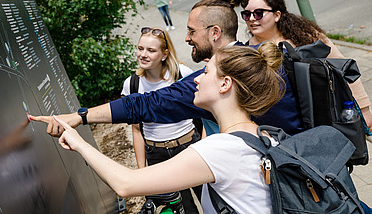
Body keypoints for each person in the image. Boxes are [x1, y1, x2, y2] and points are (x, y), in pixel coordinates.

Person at [31, 0, 305, 137]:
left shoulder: (216, 80)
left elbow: (145, 104)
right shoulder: (257, 57)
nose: (186, 38)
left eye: (191, 31)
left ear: (215, 33)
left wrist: (81, 116)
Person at [45, 44, 285, 213]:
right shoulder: (263, 135)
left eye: (206, 72)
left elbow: (125, 184)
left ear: (225, 84)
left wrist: (78, 141)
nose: (197, 79)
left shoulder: (220, 149)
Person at [234, 0, 372, 131]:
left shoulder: (306, 37)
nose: (251, 19)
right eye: (246, 14)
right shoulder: (247, 53)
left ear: (277, 15)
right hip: (283, 130)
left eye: (258, 13)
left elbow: (344, 69)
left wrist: (364, 110)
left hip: (325, 117)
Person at [123, 27, 198, 213]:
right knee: (181, 208)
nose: (143, 54)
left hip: (189, 147)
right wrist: (142, 171)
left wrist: (205, 143)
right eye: (140, 48)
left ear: (164, 54)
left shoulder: (181, 74)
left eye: (151, 50)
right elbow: (136, 129)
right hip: (157, 155)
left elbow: (204, 111)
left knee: (211, 197)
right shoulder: (132, 85)